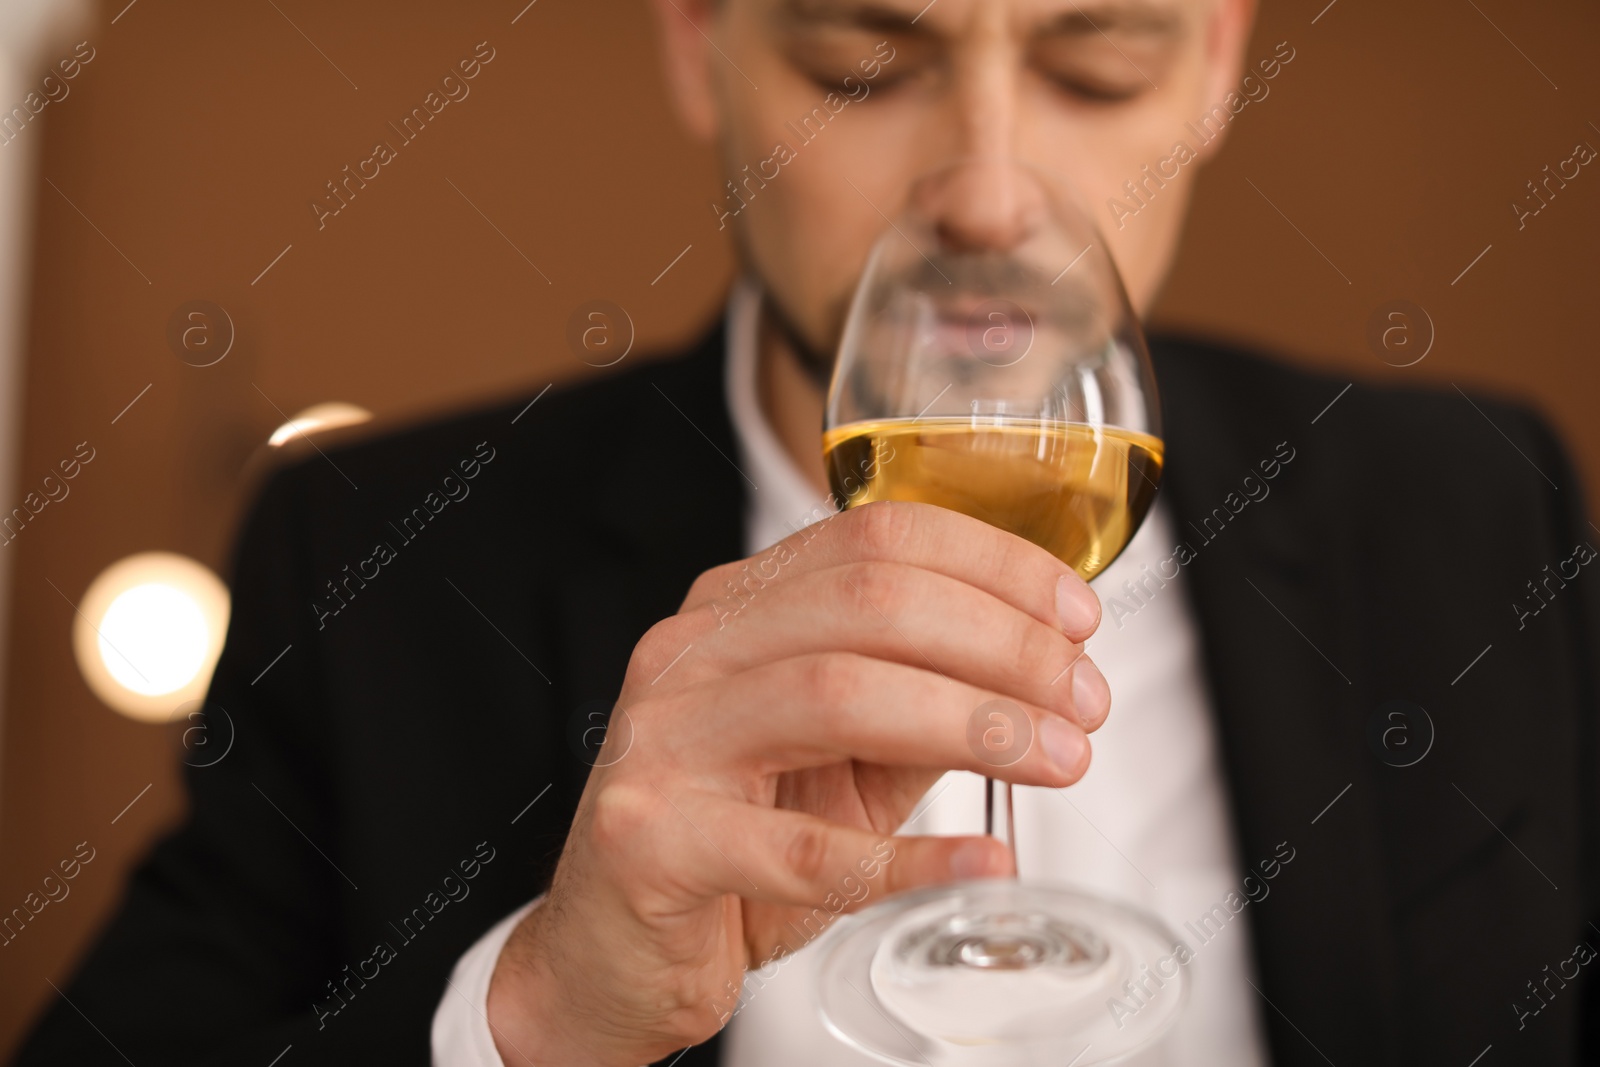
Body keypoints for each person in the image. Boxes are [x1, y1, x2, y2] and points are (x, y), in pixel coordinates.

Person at [16, 0, 1599, 1064]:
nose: (988, 197)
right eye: (862, 57)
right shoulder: (377, 556)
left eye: (1097, 63)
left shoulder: (1470, 502)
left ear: (1213, 64)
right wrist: (533, 1020)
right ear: (701, 40)